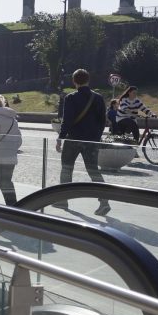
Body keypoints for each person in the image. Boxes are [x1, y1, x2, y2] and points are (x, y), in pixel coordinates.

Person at [56, 68, 111, 216]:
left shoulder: (71, 98)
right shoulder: (98, 98)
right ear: (88, 80)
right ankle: (104, 201)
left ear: (74, 81)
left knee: (66, 169)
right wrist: (96, 138)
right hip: (91, 141)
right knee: (93, 170)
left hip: (73, 139)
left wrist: (60, 137)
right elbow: (102, 121)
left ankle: (62, 200)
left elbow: (67, 121)